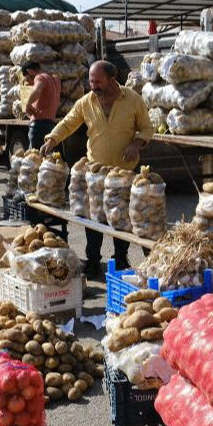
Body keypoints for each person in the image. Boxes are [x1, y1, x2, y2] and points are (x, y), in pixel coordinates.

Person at [41, 60, 153, 276]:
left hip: (123, 173)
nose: (93, 85)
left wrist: (136, 144)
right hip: (96, 173)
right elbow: (68, 122)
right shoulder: (86, 101)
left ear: (112, 79)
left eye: (97, 81)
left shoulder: (132, 99)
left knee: (121, 219)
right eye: (91, 81)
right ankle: (93, 260)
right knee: (94, 218)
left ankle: (120, 259)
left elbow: (147, 128)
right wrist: (52, 139)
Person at [22, 62, 60, 150]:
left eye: (27, 78)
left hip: (38, 126)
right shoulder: (56, 80)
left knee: (34, 158)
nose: (29, 82)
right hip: (50, 124)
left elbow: (37, 90)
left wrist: (27, 105)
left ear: (30, 71)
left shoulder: (40, 77)